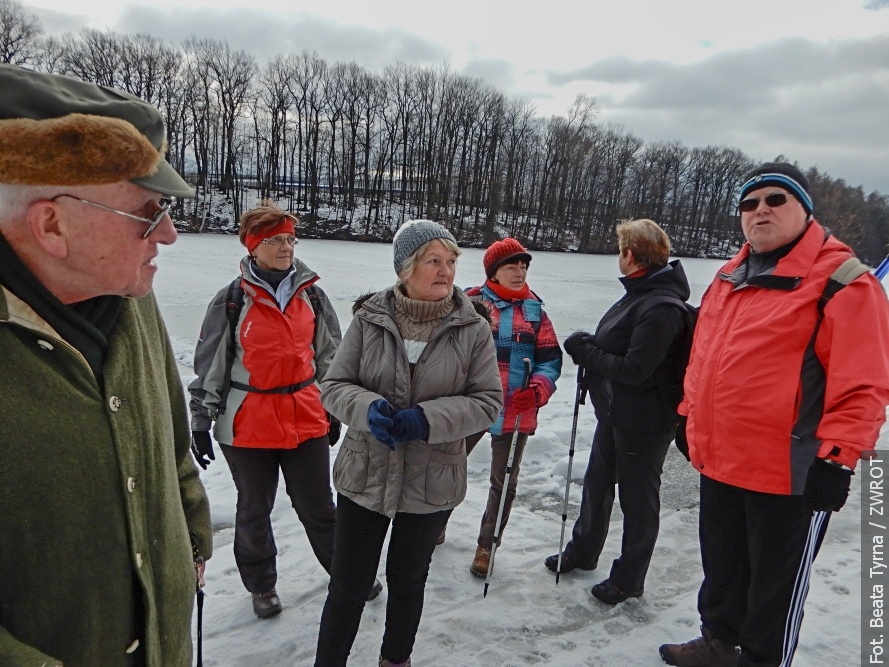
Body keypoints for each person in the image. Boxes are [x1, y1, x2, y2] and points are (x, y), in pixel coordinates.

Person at [0, 64, 212, 666]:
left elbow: (168, 431)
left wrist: (191, 522)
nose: (168, 235)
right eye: (148, 214)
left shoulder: (127, 296)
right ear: (51, 225)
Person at [659, 163, 889, 667]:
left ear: (805, 210)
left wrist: (838, 458)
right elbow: (706, 360)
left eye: (775, 199)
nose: (760, 210)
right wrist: (688, 414)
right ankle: (718, 641)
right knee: (722, 568)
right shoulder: (728, 275)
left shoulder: (843, 281)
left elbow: (864, 382)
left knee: (774, 590)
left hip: (790, 472)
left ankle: (762, 660)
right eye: (749, 203)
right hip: (721, 460)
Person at [314, 220, 502, 667]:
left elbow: (488, 401)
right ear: (405, 268)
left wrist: (427, 420)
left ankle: (394, 660)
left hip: (431, 477)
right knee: (347, 587)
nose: (445, 272)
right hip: (366, 471)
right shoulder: (369, 319)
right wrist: (367, 408)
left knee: (407, 582)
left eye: (451, 262)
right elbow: (334, 384)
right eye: (433, 261)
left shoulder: (473, 328)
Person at [188, 201, 381, 619]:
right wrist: (201, 421)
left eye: (290, 239)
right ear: (253, 246)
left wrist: (332, 408)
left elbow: (332, 358)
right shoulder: (231, 300)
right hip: (248, 423)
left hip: (304, 415)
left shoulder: (312, 294)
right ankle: (262, 586)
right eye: (275, 240)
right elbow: (210, 364)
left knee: (319, 507)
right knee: (254, 509)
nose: (286, 247)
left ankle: (348, 575)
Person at [546, 219, 692, 605]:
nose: (619, 255)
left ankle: (629, 579)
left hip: (645, 423)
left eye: (620, 248)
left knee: (638, 501)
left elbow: (635, 369)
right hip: (617, 415)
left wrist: (584, 351)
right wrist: (591, 343)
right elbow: (622, 345)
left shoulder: (661, 305)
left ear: (631, 255)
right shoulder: (641, 293)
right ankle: (583, 551)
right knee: (597, 485)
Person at [458, 237, 562, 577]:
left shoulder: (535, 312)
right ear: (493, 272)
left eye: (523, 266)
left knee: (503, 482)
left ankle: (486, 545)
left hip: (518, 410)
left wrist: (538, 390)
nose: (519, 272)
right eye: (511, 266)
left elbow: (550, 360)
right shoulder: (468, 302)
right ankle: (436, 521)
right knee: (446, 465)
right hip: (471, 405)